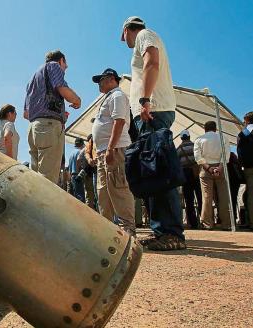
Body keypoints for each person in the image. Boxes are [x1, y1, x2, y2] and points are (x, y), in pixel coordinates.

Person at [121, 16, 185, 249]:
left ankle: (172, 234)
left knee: (159, 171)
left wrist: (145, 100)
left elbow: (152, 62)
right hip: (150, 111)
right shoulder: (144, 37)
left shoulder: (144, 36)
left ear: (127, 30)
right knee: (152, 172)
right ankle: (162, 230)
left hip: (153, 109)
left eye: (123, 35)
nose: (123, 40)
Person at [24, 50, 81, 183]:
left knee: (36, 179)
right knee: (47, 181)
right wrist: (77, 100)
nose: (65, 68)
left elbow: (26, 114)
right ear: (61, 60)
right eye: (65, 64)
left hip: (33, 128)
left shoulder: (32, 79)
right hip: (48, 128)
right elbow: (62, 88)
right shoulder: (53, 66)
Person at [91, 68, 136, 236]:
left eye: (101, 80)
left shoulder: (118, 95)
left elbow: (119, 122)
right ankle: (107, 230)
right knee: (103, 192)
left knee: (119, 188)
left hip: (115, 149)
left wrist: (110, 148)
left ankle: (128, 228)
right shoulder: (108, 97)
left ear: (111, 79)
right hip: (105, 151)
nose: (99, 84)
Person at [194, 121, 231, 230]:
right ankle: (227, 224)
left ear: (205, 129)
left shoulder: (199, 139)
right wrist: (219, 167)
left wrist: (209, 168)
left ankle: (207, 223)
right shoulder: (223, 138)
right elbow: (226, 154)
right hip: (221, 167)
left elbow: (198, 157)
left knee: (206, 197)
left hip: (205, 169)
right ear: (215, 129)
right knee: (224, 196)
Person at [176, 130, 202, 229]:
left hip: (185, 175)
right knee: (200, 197)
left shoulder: (178, 149)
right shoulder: (195, 146)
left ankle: (193, 223)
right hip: (196, 173)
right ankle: (203, 220)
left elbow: (177, 164)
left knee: (189, 200)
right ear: (189, 136)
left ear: (181, 138)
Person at [237, 111, 253, 229]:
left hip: (249, 167)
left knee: (250, 194)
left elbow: (240, 151)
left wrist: (242, 165)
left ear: (246, 120)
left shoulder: (243, 134)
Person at [82, 134, 97, 210]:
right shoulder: (86, 149)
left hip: (87, 173)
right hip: (90, 174)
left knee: (89, 194)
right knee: (91, 194)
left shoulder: (85, 149)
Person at [68, 138, 85, 202]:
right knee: (80, 197)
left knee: (75, 196)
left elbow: (69, 168)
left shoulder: (71, 154)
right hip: (78, 175)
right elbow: (81, 163)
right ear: (82, 144)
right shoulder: (80, 152)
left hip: (72, 176)